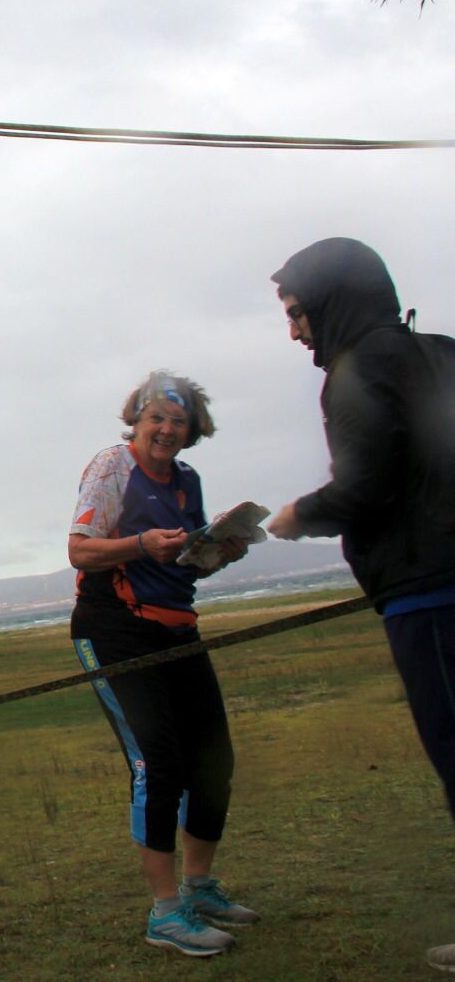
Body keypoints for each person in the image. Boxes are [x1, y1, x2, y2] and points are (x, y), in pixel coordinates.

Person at [265, 238, 455, 974]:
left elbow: (366, 485)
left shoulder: (356, 370)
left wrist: (297, 514)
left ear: (330, 301)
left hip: (429, 595)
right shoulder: (440, 351)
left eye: (297, 312)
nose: (294, 332)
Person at [66, 371, 257, 958]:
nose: (167, 430)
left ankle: (200, 889)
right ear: (137, 420)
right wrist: (142, 545)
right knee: (159, 763)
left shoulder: (186, 480)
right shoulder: (111, 467)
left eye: (179, 421)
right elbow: (79, 549)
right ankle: (166, 913)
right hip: (114, 629)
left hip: (176, 626)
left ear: (191, 430)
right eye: (157, 418)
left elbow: (186, 566)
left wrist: (217, 553)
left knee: (213, 761)